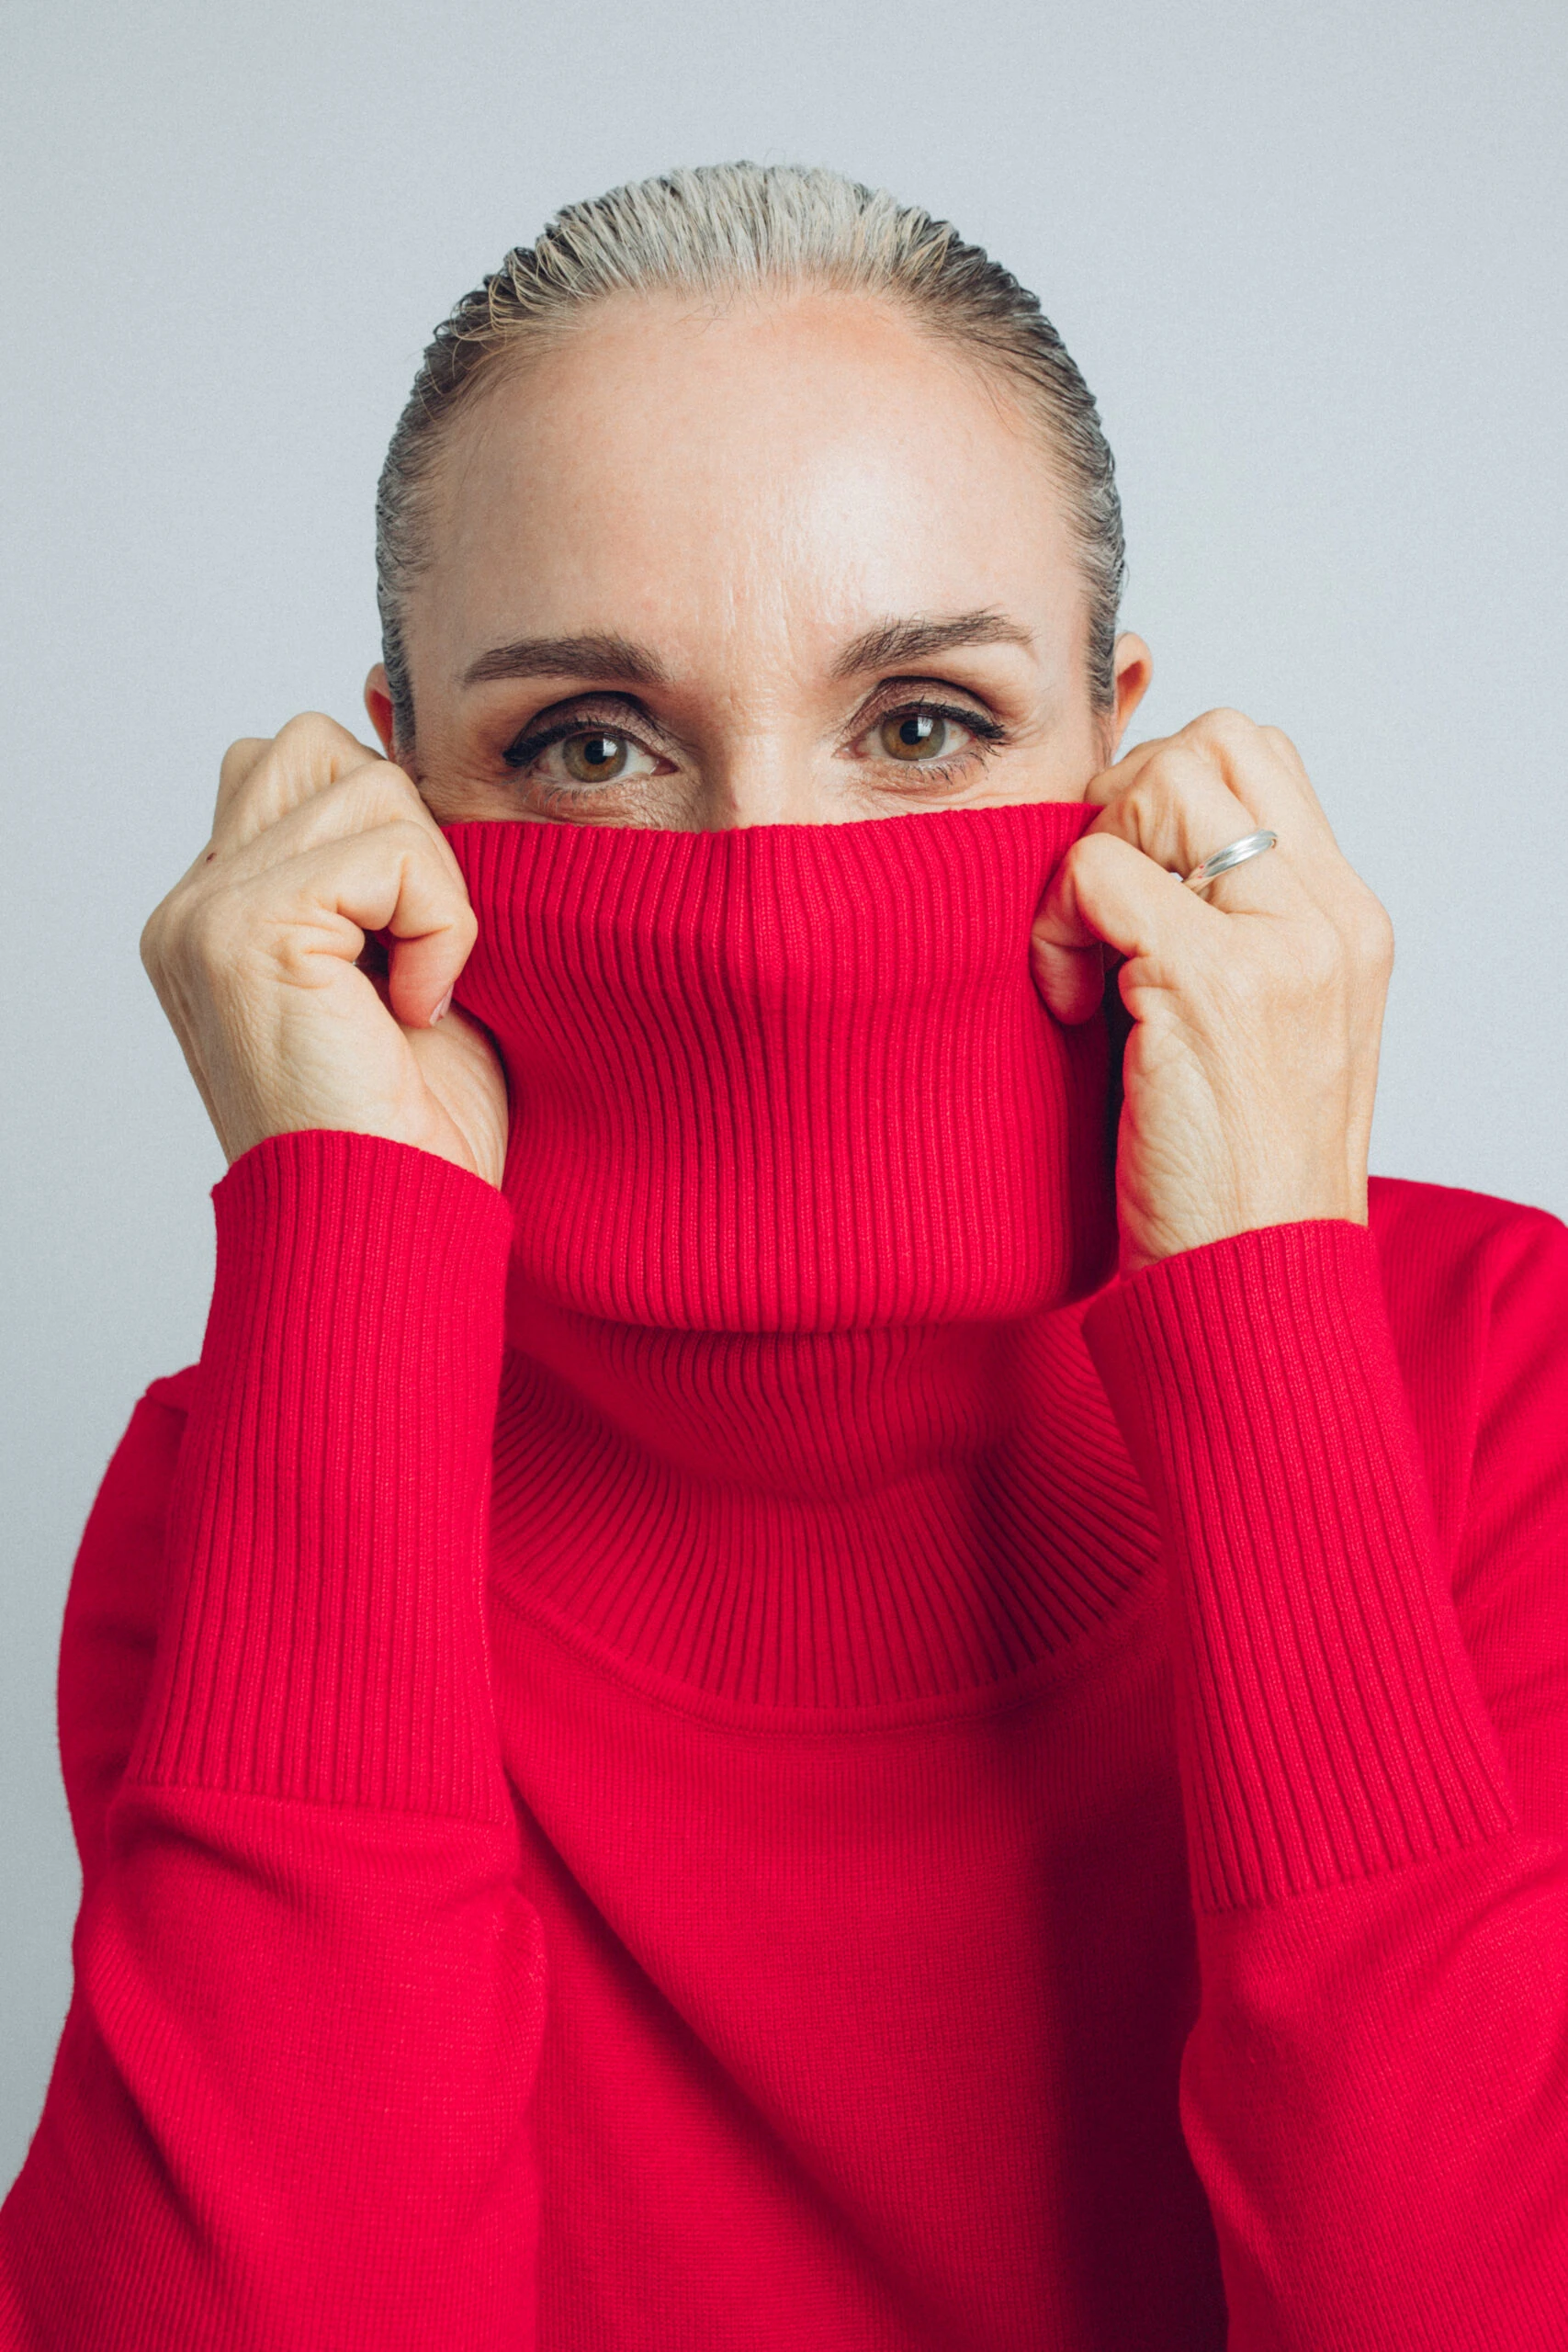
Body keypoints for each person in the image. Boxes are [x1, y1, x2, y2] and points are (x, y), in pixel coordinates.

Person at [3, 163, 1564, 2351]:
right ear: (394, 791)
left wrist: (1271, 1331)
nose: (761, 901)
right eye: (591, 743)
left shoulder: (1497, 1377)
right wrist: (345, 1255)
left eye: (920, 722)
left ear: (1114, 745)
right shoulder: (252, 1467)